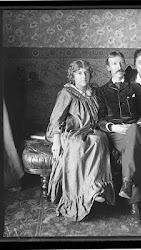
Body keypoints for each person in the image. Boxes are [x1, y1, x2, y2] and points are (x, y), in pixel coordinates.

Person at [46, 59, 115, 222]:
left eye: (86, 72)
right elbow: (56, 119)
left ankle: (96, 189)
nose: (83, 76)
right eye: (79, 73)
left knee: (99, 139)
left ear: (90, 74)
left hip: (91, 129)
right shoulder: (67, 93)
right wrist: (56, 141)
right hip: (70, 131)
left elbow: (102, 114)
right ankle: (83, 195)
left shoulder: (94, 92)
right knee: (79, 145)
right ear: (73, 76)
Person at [97, 51, 141, 221]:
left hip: (134, 130)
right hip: (115, 135)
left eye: (121, 63)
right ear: (108, 68)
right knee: (132, 145)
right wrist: (114, 127)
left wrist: (139, 125)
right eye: (114, 64)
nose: (119, 67)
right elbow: (99, 119)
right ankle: (134, 200)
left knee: (134, 130)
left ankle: (127, 184)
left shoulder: (135, 88)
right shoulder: (101, 91)